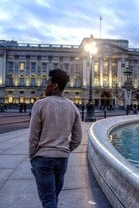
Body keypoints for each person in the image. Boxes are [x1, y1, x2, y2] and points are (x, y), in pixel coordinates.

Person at [29, 69, 82, 208]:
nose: (45, 85)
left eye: (48, 82)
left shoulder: (40, 104)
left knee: (48, 200)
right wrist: (65, 149)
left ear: (55, 85)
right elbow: (77, 138)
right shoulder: (73, 107)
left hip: (43, 158)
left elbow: (33, 135)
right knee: (53, 198)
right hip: (62, 158)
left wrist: (32, 156)